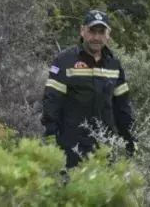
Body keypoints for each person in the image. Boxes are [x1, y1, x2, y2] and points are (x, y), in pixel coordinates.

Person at [42, 9, 135, 169]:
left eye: (101, 32)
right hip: (70, 146)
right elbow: (52, 100)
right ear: (83, 31)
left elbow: (123, 106)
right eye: (92, 31)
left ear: (108, 35)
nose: (96, 37)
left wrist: (130, 138)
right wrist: (50, 136)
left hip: (103, 147)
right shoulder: (64, 60)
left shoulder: (114, 65)